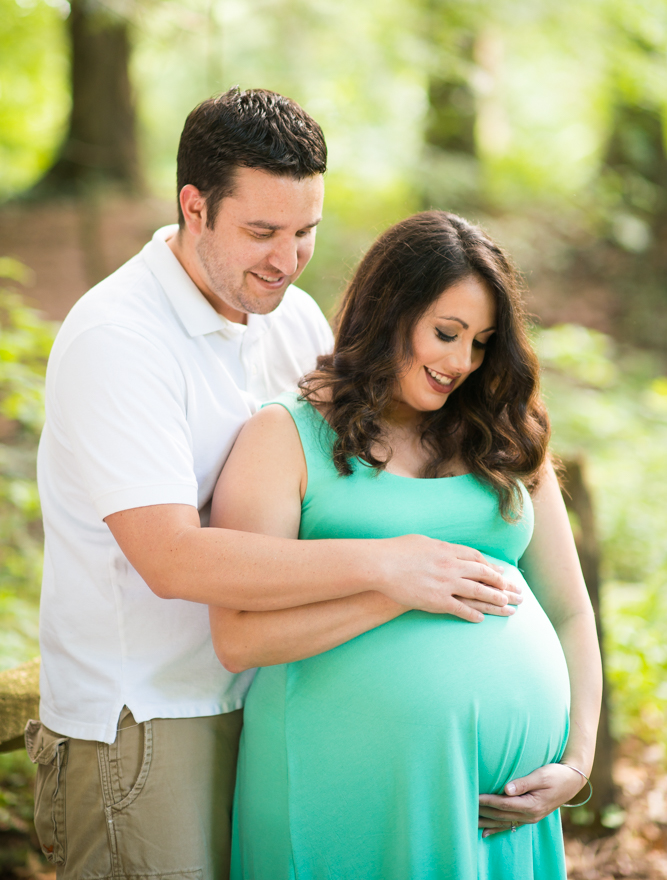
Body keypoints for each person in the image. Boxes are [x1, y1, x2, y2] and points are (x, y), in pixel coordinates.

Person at [30, 92, 522, 880]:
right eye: (261, 232)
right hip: (150, 719)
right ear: (194, 208)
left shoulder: (289, 319)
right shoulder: (118, 338)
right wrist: (388, 567)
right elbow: (172, 560)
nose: (287, 260)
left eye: (304, 233)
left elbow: (348, 478)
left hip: (275, 699)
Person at [209, 210, 603, 880]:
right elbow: (238, 638)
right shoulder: (283, 439)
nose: (460, 363)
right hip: (344, 793)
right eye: (444, 333)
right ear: (388, 312)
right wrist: (392, 588)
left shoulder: (504, 437)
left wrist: (577, 762)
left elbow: (569, 611)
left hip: (505, 817)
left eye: (479, 343)